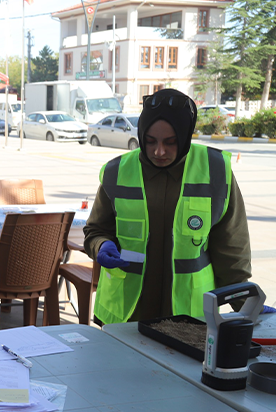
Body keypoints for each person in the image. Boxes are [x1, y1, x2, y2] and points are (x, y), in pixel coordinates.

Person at [84, 88, 251, 325]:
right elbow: (95, 231)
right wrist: (101, 245)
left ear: (184, 137)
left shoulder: (215, 172)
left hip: (188, 316)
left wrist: (246, 305)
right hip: (125, 316)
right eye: (150, 141)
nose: (159, 152)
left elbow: (232, 249)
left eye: (170, 142)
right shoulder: (117, 172)